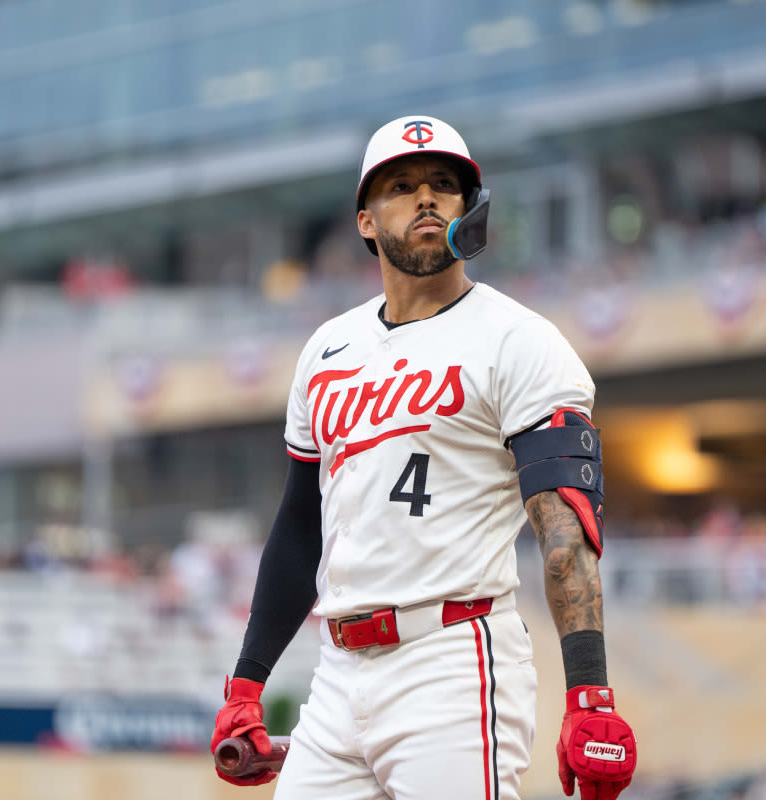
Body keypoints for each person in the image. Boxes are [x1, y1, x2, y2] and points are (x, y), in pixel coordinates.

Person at [211, 115, 637, 800]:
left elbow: (565, 527)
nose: (427, 198)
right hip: (339, 671)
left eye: (444, 184)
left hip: (453, 657)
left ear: (471, 208)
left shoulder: (519, 339)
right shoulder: (327, 348)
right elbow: (299, 529)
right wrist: (246, 681)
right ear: (365, 221)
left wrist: (590, 692)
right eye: (401, 186)